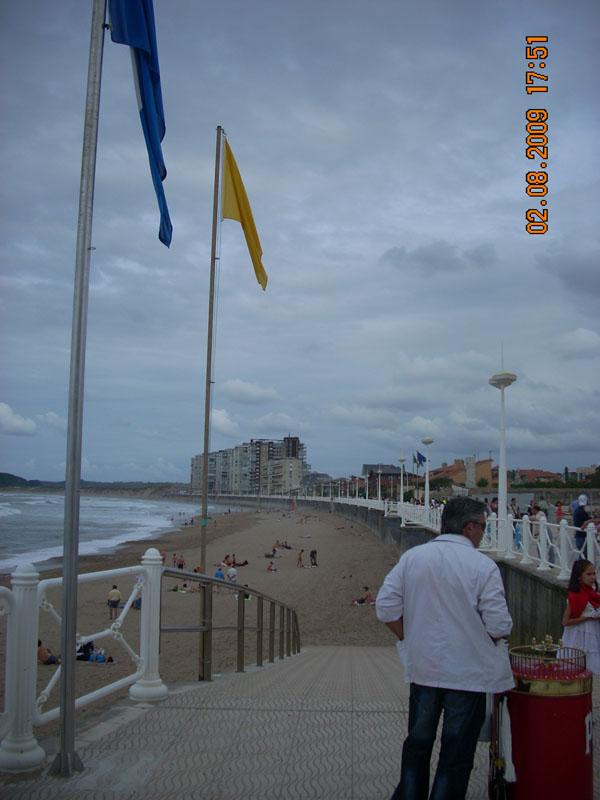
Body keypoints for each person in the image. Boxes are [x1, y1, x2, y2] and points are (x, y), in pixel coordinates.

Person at [376, 497, 513, 800]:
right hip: (467, 675)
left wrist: (407, 637)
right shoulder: (483, 566)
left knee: (418, 743)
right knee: (456, 750)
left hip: (424, 669)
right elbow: (500, 626)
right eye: (483, 526)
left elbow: (385, 607)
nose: (483, 533)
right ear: (470, 527)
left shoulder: (414, 557)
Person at [562, 559, 600, 674]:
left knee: (592, 666)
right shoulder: (575, 596)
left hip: (592, 634)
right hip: (577, 635)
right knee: (575, 666)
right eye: (589, 574)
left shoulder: (593, 594)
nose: (592, 577)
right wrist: (587, 618)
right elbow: (565, 621)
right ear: (579, 576)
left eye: (594, 574)